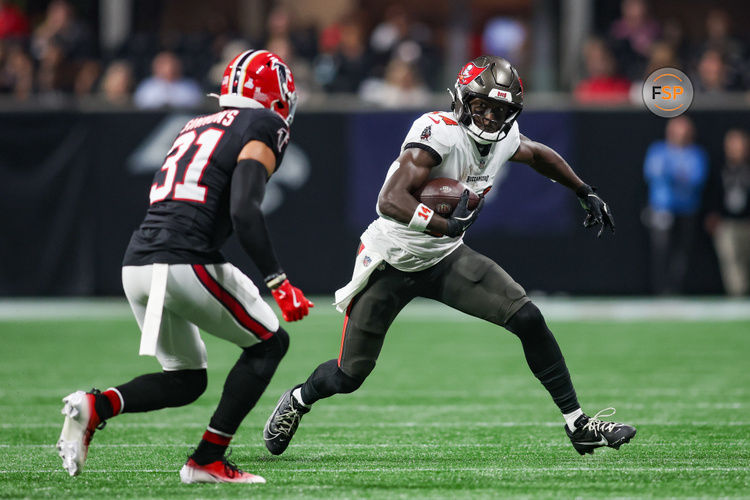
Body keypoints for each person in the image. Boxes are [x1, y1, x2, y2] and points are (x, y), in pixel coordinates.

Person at [264, 55, 636, 458]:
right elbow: (389, 199)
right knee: (349, 374)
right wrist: (445, 225)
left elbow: (539, 153)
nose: (491, 118)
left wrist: (584, 190)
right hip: (392, 259)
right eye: (482, 106)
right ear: (461, 100)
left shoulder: (505, 138)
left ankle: (578, 425)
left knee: (527, 317)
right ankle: (299, 399)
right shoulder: (438, 131)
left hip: (443, 258)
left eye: (501, 110)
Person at [57, 50, 314, 484]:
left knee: (186, 379)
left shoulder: (195, 123)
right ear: (275, 95)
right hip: (185, 260)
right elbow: (245, 212)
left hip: (137, 262)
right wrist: (278, 280)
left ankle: (96, 406)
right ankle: (207, 460)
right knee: (269, 344)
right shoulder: (264, 125)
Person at [643, 116, 709, 294]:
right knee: (661, 250)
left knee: (682, 252)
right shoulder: (658, 150)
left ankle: (677, 289)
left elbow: (697, 179)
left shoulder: (696, 153)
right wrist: (679, 176)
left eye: (685, 130)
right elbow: (652, 174)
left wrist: (673, 175)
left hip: (687, 209)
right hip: (662, 209)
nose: (681, 134)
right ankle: (660, 289)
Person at [705, 129, 750, 296]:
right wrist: (713, 215)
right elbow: (711, 193)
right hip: (728, 223)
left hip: (747, 221)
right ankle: (738, 295)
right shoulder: (719, 168)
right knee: (732, 261)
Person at [133, 51, 203, 109]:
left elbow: (195, 103)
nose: (169, 68)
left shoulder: (190, 85)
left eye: (172, 64)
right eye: (164, 65)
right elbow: (141, 103)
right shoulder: (147, 85)